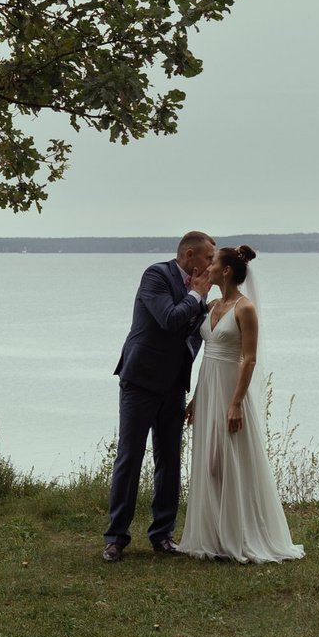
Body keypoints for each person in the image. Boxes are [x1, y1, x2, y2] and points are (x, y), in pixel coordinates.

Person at [181, 245, 303, 563]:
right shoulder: (211, 306)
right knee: (208, 464)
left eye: (214, 263)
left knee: (228, 461)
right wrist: (195, 397)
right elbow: (206, 358)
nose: (208, 267)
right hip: (208, 389)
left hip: (230, 390)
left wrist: (236, 404)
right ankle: (213, 536)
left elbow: (249, 360)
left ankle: (241, 536)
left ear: (226, 271)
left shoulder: (245, 309)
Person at [105, 230, 217, 562]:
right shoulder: (156, 275)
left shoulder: (202, 291)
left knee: (169, 460)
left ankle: (163, 535)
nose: (213, 264)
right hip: (140, 380)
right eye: (209, 258)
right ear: (190, 256)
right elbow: (169, 319)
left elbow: (195, 334)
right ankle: (115, 538)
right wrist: (196, 296)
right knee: (130, 457)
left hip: (173, 384)